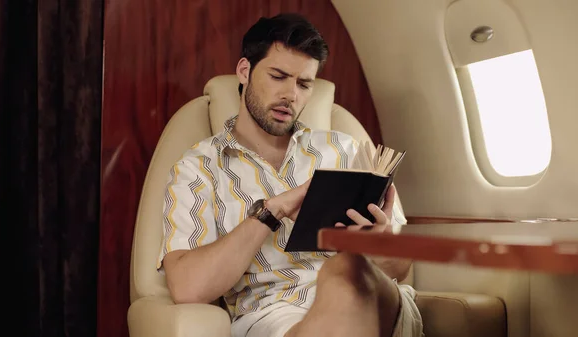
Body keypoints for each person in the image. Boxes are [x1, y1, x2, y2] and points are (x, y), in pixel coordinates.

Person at [157, 13, 423, 337]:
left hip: (376, 301)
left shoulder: (348, 150)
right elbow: (188, 287)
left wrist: (382, 247)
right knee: (342, 272)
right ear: (244, 71)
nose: (291, 95)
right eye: (279, 76)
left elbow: (400, 270)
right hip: (275, 318)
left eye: (304, 83)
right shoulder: (198, 168)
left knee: (347, 269)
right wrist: (273, 210)